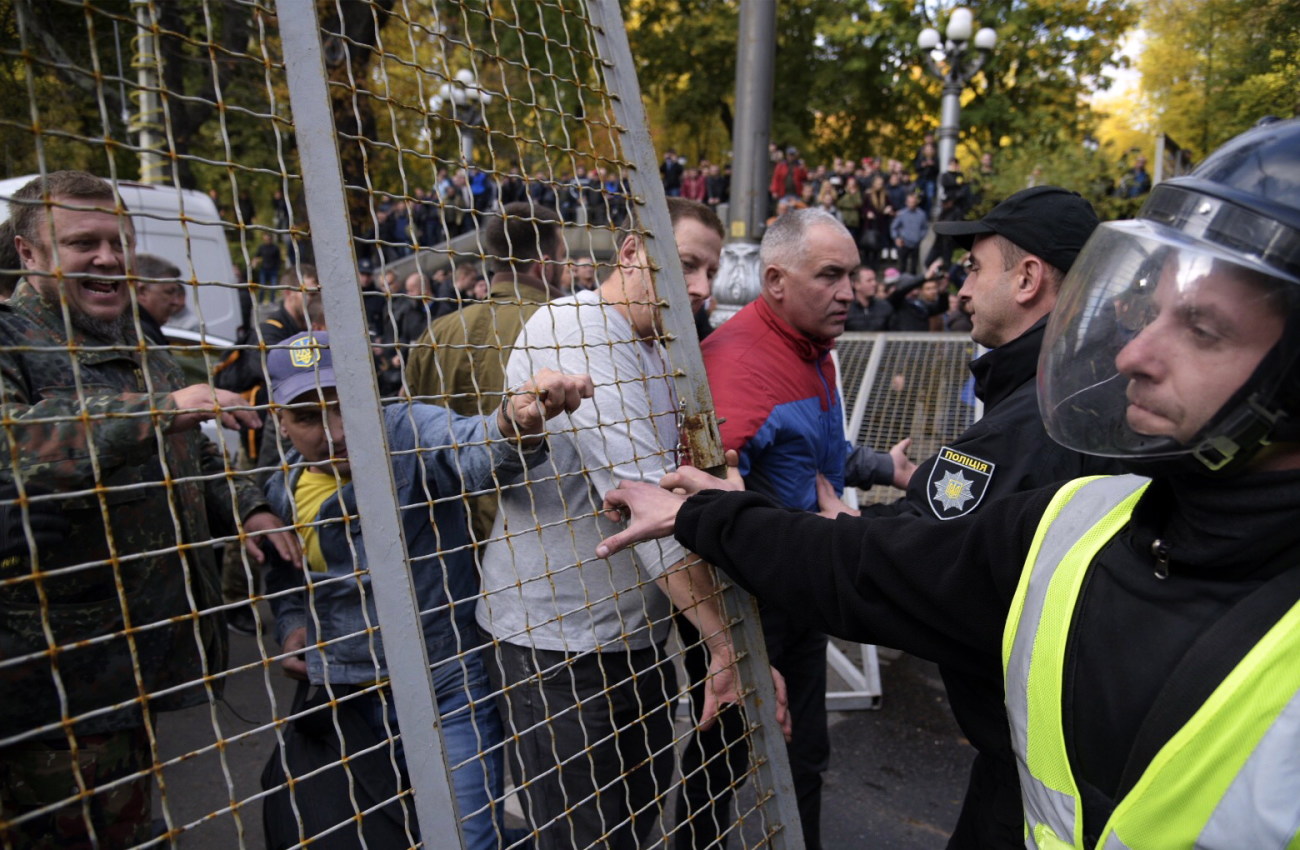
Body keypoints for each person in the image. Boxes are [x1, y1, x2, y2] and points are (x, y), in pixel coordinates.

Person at [599, 119, 1300, 850]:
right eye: (1151, 314)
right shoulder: (1085, 518)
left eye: (1205, 331)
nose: (1133, 354)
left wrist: (747, 511)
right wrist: (716, 513)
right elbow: (876, 565)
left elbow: (879, 555)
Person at [477, 198, 789, 850]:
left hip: (634, 635)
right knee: (584, 835)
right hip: (556, 641)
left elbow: (678, 486)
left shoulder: (659, 350)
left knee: (635, 819)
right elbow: (646, 505)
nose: (701, 288)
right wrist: (726, 642)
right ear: (630, 253)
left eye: (709, 271)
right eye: (688, 265)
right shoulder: (576, 327)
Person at [0, 170, 299, 848]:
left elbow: (191, 453)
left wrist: (247, 507)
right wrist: (157, 411)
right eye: (82, 243)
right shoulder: (13, 338)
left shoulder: (138, 337)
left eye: (117, 241)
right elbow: (11, 443)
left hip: (143, 661)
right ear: (28, 254)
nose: (107, 258)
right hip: (56, 678)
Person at [856, 186, 1124, 848]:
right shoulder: (1090, 392)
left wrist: (732, 521)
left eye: (975, 268)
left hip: (1038, 779)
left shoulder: (1038, 419)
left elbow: (901, 565)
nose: (963, 288)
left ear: (1029, 277)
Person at [262, 330, 592, 850]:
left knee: (464, 837)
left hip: (443, 685)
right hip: (344, 694)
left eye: (346, 405)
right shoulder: (281, 484)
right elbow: (281, 570)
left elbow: (471, 449)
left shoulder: (405, 428)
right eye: (307, 418)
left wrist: (514, 423)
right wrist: (291, 627)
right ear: (279, 421)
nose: (336, 432)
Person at [683, 208, 912, 850]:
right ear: (776, 280)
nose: (848, 292)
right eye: (831, 276)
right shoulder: (737, 366)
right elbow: (705, 507)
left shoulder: (815, 349)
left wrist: (881, 471)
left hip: (799, 591)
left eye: (853, 276)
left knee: (804, 758)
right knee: (720, 768)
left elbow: (819, 456)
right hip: (750, 606)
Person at [405, 201, 568, 543]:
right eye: (563, 258)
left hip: (447, 536)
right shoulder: (563, 324)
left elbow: (410, 430)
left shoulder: (436, 333)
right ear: (544, 265)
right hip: (535, 535)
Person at [131, 253, 186, 345]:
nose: (175, 302)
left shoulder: (145, 329)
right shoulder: (138, 334)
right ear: (142, 292)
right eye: (169, 292)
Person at [844, 265, 892, 332]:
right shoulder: (845, 309)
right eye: (869, 281)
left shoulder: (885, 307)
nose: (874, 284)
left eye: (874, 280)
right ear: (856, 285)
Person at [890, 193, 929, 275]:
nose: (911, 204)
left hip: (916, 244)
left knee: (914, 267)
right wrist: (896, 238)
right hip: (904, 243)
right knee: (902, 266)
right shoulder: (902, 214)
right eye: (910, 202)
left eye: (913, 202)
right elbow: (894, 227)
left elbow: (925, 228)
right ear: (906, 203)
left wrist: (920, 237)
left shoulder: (921, 214)